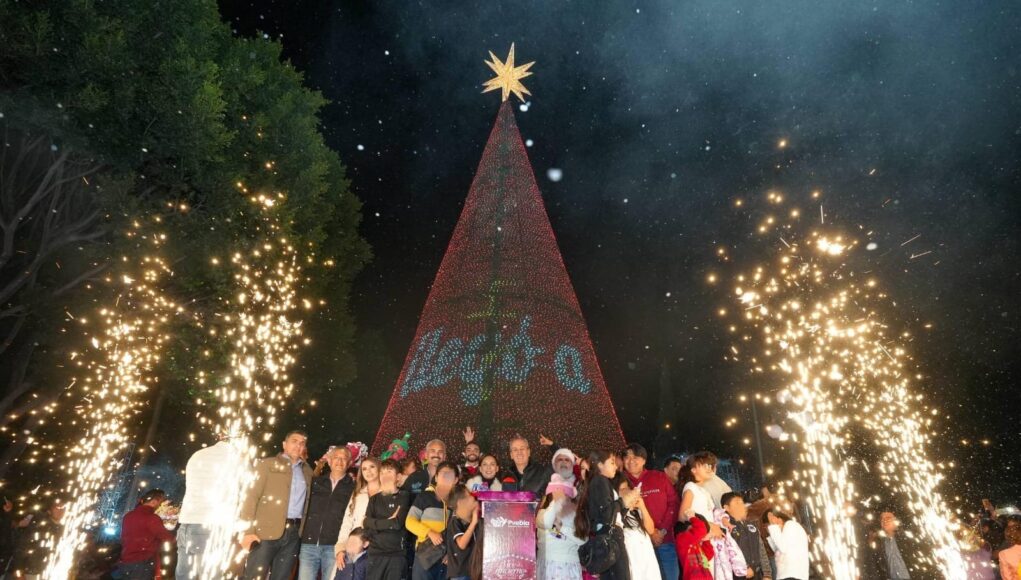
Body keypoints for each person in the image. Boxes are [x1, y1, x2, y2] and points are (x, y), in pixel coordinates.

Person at [240, 430, 314, 580]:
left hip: (294, 534)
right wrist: (248, 530)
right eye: (294, 441)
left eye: (302, 443)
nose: (298, 445)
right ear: (284, 444)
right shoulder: (266, 464)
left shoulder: (308, 472)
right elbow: (250, 497)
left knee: (282, 577)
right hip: (264, 533)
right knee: (254, 576)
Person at [176, 436, 241, 578]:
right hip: (212, 527)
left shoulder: (198, 454)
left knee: (185, 575)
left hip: (186, 524)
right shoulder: (236, 458)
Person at [298, 446, 356, 580]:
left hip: (333, 547)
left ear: (349, 463)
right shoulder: (315, 483)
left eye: (344, 459)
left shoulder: (353, 487)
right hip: (309, 544)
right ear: (329, 461)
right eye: (336, 458)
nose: (339, 462)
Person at [623, 443, 678, 580]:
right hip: (637, 546)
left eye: (635, 457)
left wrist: (662, 531)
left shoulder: (659, 477)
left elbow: (674, 504)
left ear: (644, 460)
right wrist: (650, 533)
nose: (631, 461)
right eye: (627, 457)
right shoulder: (620, 482)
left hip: (664, 542)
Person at [574, 450, 630, 580]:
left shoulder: (599, 481)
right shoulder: (600, 480)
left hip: (608, 537)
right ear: (599, 465)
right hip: (611, 538)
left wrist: (626, 505)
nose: (615, 466)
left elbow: (609, 514)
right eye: (611, 463)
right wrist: (623, 502)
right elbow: (606, 515)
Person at [406, 461, 459, 580]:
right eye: (443, 474)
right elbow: (409, 522)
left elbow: (458, 531)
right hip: (425, 555)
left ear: (455, 480)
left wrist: (451, 553)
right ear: (436, 477)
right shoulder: (425, 496)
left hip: (446, 559)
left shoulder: (457, 502)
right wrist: (429, 532)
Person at [363, 459, 412, 580]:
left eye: (389, 472)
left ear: (398, 477)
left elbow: (397, 524)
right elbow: (366, 528)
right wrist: (388, 522)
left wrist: (372, 523)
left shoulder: (404, 496)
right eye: (382, 473)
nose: (385, 476)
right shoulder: (374, 499)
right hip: (375, 555)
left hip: (397, 556)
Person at [115, 488, 176, 579]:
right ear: (154, 501)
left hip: (125, 561)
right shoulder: (151, 518)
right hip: (143, 563)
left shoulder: (128, 516)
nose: (161, 505)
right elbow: (166, 537)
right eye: (161, 502)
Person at [536, 473, 585, 580]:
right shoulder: (542, 513)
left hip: (569, 566)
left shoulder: (574, 515)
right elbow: (546, 523)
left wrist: (562, 528)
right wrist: (555, 502)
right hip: (547, 565)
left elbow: (583, 540)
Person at [336, 457, 382, 569]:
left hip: (380, 547)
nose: (368, 471)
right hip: (355, 545)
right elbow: (347, 521)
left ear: (379, 468)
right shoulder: (358, 494)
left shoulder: (389, 492)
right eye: (364, 469)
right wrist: (340, 548)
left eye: (372, 467)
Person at [617, 479, 662, 580]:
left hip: (647, 558)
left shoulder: (637, 509)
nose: (626, 492)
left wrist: (642, 507)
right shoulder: (616, 513)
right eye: (621, 489)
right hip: (632, 560)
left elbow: (650, 530)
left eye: (627, 488)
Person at [721, 492, 772, 580]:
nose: (742, 505)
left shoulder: (752, 525)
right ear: (726, 507)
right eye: (737, 502)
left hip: (757, 574)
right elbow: (725, 552)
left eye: (742, 502)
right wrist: (744, 568)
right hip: (738, 576)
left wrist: (767, 574)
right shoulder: (724, 526)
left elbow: (761, 549)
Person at [11, 499, 65, 579]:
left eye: (63, 508)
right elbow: (22, 546)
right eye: (57, 507)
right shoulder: (39, 526)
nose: (60, 510)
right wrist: (18, 571)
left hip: (52, 573)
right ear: (49, 511)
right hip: (32, 572)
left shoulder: (64, 530)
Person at [677, 452, 722, 540]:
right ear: (693, 469)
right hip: (700, 540)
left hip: (709, 538)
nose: (709, 468)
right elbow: (682, 516)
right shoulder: (691, 486)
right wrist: (710, 525)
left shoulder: (704, 491)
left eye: (711, 466)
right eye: (705, 465)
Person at [445, 484, 480, 580]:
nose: (473, 499)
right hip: (460, 573)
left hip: (472, 571)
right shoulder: (455, 521)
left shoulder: (470, 519)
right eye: (469, 496)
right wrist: (473, 523)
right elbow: (461, 544)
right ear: (460, 503)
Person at [763, 508, 809, 580]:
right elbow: (776, 549)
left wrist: (773, 526)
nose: (768, 529)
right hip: (789, 575)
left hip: (792, 575)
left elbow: (783, 548)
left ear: (779, 519)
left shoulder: (790, 525)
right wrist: (772, 534)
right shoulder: (786, 530)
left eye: (768, 525)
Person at [711, 507, 749, 580]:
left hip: (723, 544)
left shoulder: (717, 512)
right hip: (714, 544)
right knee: (719, 568)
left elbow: (722, 517)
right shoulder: (710, 516)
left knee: (726, 565)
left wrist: (727, 524)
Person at [676, 514, 715, 580]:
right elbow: (700, 530)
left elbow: (708, 555)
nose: (703, 535)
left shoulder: (696, 545)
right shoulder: (682, 540)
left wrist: (706, 541)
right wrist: (692, 517)